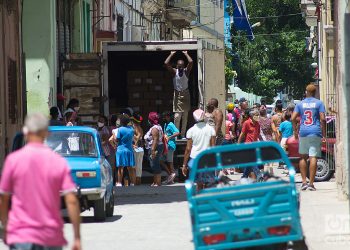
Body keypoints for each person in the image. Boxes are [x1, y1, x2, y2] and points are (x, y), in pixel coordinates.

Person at [0, 113, 81, 250]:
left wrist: (6, 226)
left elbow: (3, 198)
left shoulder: (13, 160)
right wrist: (77, 237)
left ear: (26, 131)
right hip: (50, 236)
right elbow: (71, 200)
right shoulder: (57, 162)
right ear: (46, 133)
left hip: (21, 236)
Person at [292, 84, 326, 191]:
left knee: (302, 157)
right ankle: (311, 184)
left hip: (303, 131)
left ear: (306, 91)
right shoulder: (319, 103)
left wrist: (295, 131)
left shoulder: (300, 104)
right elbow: (323, 119)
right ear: (315, 92)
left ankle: (303, 182)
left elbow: (293, 118)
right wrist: (324, 133)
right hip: (315, 131)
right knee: (313, 157)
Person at [182, 109, 216, 190]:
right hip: (208, 158)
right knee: (209, 183)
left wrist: (184, 165)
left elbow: (188, 149)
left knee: (198, 183)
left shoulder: (190, 131)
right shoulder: (211, 129)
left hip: (195, 159)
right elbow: (213, 147)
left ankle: (200, 200)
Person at [164, 51, 193, 138]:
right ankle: (176, 134)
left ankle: (183, 134)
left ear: (184, 66)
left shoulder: (186, 72)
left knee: (185, 116)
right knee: (177, 116)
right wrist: (172, 54)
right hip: (177, 94)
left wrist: (186, 54)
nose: (180, 68)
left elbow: (191, 62)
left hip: (186, 94)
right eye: (179, 66)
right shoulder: (174, 72)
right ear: (176, 66)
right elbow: (166, 63)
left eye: (182, 66)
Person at [111, 114, 136, 187]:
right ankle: (132, 183)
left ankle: (119, 182)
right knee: (130, 167)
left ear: (121, 121)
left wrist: (113, 134)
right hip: (129, 150)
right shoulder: (131, 129)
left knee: (120, 168)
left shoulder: (120, 129)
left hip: (121, 150)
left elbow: (117, 140)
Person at [238, 110, 261, 179]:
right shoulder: (246, 123)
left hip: (255, 145)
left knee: (249, 162)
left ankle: (244, 177)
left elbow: (258, 134)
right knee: (252, 161)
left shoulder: (257, 124)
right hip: (248, 145)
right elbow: (242, 134)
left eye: (258, 115)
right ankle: (259, 175)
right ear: (252, 116)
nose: (258, 116)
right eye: (256, 115)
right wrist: (238, 144)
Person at [144, 112, 164, 187]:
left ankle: (158, 182)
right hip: (157, 147)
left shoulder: (155, 128)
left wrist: (152, 150)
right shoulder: (157, 126)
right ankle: (155, 181)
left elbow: (155, 139)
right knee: (153, 164)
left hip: (155, 147)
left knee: (155, 164)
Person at [161, 111, 180, 185]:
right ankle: (171, 175)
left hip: (170, 145)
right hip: (166, 145)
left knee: (170, 162)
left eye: (165, 117)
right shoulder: (165, 124)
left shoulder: (171, 124)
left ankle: (171, 176)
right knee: (161, 160)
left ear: (168, 117)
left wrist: (169, 137)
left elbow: (177, 132)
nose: (164, 118)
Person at [132, 113, 144, 185]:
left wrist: (132, 135)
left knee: (136, 167)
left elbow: (138, 137)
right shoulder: (138, 127)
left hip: (137, 149)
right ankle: (137, 182)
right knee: (138, 167)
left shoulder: (136, 127)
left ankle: (136, 182)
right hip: (140, 149)